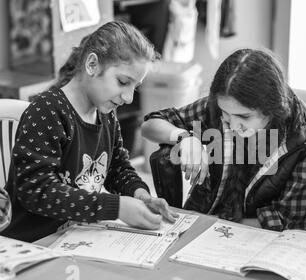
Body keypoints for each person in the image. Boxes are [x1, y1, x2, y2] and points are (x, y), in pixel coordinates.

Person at [1, 21, 178, 242]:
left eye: (135, 86)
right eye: (123, 82)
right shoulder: (47, 111)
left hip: (72, 238)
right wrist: (116, 207)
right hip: (29, 243)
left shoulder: (106, 114)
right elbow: (38, 191)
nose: (129, 97)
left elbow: (117, 167)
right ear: (92, 64)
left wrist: (139, 194)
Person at [142, 49, 306, 240]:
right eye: (226, 116)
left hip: (276, 238)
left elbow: (289, 222)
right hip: (213, 223)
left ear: (271, 108)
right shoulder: (220, 107)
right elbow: (150, 125)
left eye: (244, 117)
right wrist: (183, 137)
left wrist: (212, 225)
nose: (234, 125)